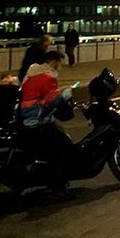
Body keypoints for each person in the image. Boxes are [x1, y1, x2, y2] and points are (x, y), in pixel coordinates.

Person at [19, 51, 76, 197]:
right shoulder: (47, 77)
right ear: (54, 62)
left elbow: (44, 95)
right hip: (38, 120)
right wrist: (66, 94)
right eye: (60, 64)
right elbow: (54, 101)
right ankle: (58, 186)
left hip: (27, 117)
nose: (60, 68)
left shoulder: (31, 75)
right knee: (63, 147)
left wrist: (59, 91)